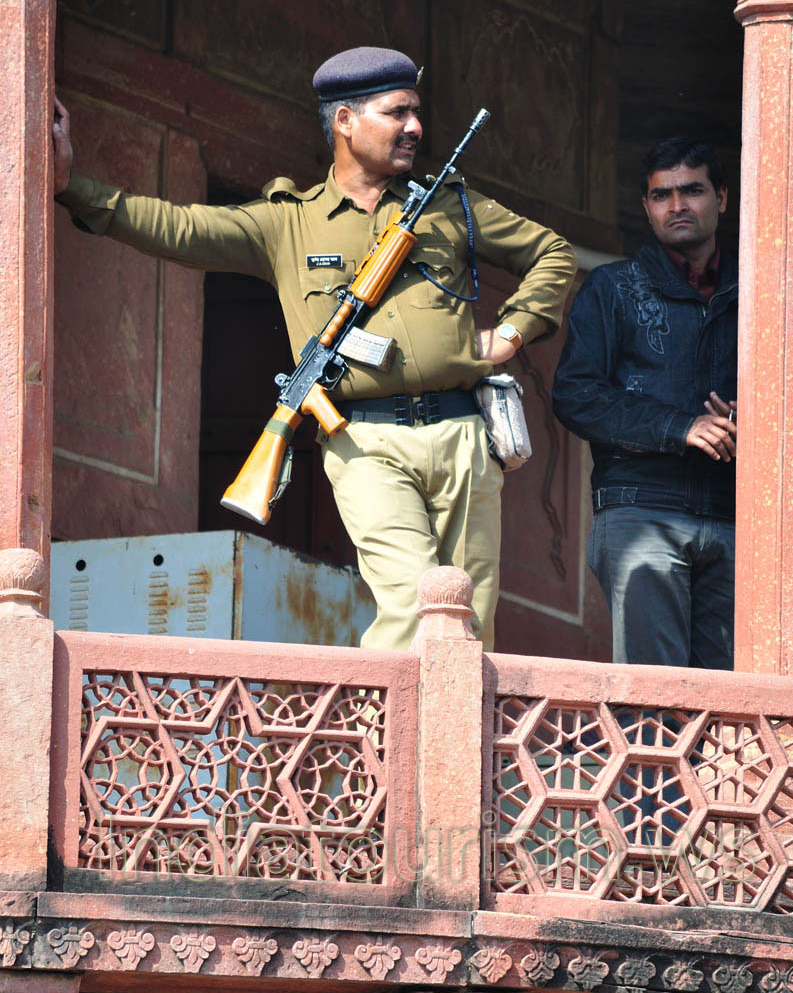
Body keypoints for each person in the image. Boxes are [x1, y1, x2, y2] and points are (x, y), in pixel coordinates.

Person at [53, 46, 577, 651]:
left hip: (464, 433)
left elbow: (554, 253)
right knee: (412, 608)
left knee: (471, 622)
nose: (415, 128)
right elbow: (179, 227)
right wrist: (74, 189)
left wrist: (511, 333)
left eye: (416, 112)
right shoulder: (288, 221)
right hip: (365, 441)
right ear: (344, 121)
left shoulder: (449, 202)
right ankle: (397, 742)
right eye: (397, 112)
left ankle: (455, 746)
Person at [552, 137, 737, 670]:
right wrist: (680, 426)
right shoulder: (613, 288)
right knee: (656, 699)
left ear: (721, 198)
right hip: (641, 507)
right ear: (647, 207)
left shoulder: (760, 291)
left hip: (737, 515)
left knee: (733, 707)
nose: (677, 206)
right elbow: (576, 395)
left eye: (692, 191)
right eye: (662, 195)